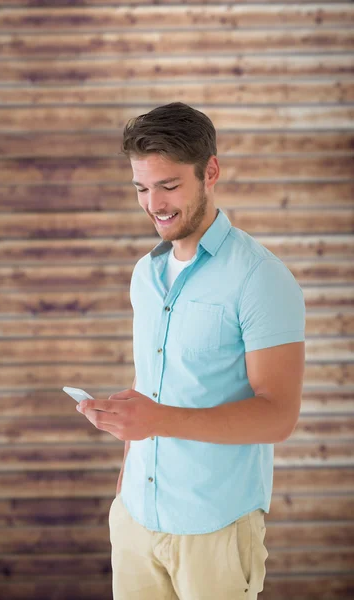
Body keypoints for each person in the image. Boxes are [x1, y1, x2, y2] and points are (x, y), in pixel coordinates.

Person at [77, 102, 306, 599]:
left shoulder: (261, 278)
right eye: (141, 187)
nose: (153, 203)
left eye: (169, 185)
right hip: (135, 522)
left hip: (215, 529)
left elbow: (279, 416)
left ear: (211, 172)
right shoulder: (146, 275)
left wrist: (157, 419)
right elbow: (154, 385)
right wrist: (126, 440)